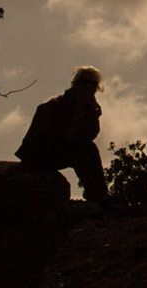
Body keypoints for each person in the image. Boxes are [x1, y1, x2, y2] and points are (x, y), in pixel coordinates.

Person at [16, 66, 109, 205]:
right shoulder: (54, 106)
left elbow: (87, 136)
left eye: (94, 85)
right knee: (88, 150)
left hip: (56, 151)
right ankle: (99, 197)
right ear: (76, 84)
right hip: (38, 155)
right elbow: (64, 137)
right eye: (85, 83)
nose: (90, 88)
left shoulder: (86, 108)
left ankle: (99, 196)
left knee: (89, 149)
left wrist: (92, 116)